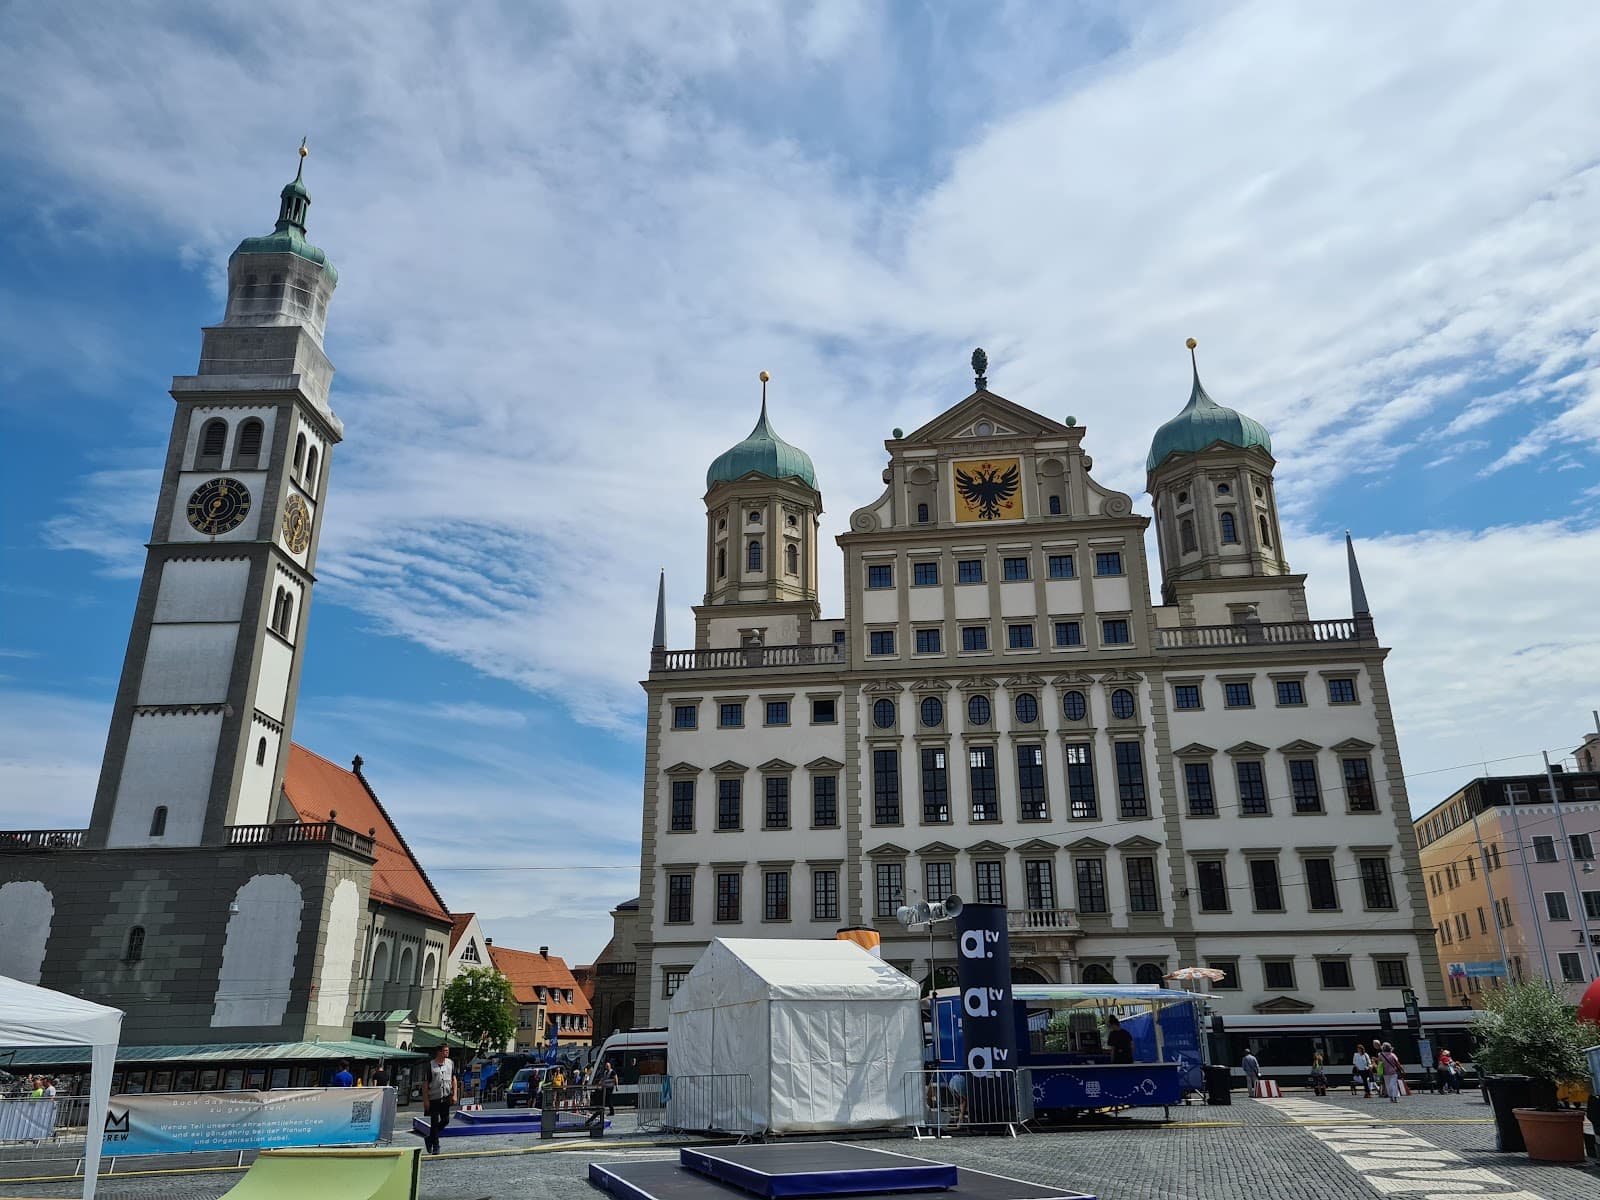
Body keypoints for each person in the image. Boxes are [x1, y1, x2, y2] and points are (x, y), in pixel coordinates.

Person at [424, 1046, 457, 1155]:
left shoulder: (450, 1063)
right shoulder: (431, 1065)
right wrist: (426, 1100)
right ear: (439, 1052)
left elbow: (454, 1079)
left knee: (445, 1120)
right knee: (434, 1122)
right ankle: (436, 1145)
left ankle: (430, 1138)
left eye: (448, 1050)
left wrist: (455, 1094)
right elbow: (425, 1084)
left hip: (446, 1096)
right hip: (434, 1097)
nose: (447, 1052)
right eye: (445, 1051)